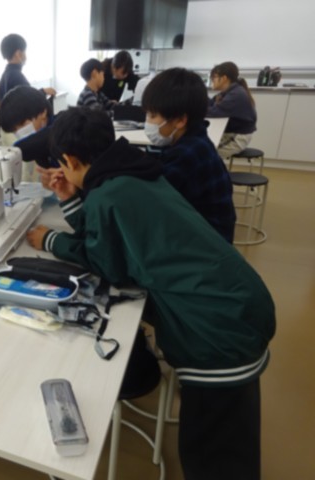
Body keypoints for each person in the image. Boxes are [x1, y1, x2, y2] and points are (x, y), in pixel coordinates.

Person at [26, 107, 275, 480]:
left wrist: (51, 240)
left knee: (212, 451)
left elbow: (107, 262)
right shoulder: (131, 171)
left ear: (71, 160)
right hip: (236, 303)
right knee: (232, 434)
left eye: (63, 166)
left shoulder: (109, 193)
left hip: (216, 328)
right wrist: (70, 195)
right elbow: (106, 232)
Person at [141, 67, 236, 243]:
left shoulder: (188, 154)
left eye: (153, 115)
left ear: (180, 120)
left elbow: (150, 201)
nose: (147, 122)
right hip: (208, 237)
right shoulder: (195, 141)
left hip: (206, 247)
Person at [0, 85, 56, 181]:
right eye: (14, 131)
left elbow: (23, 149)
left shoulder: (64, 128)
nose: (19, 133)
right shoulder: (39, 144)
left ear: (43, 112)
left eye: (23, 124)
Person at [207, 61, 257, 159]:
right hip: (232, 134)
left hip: (237, 138)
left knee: (206, 154)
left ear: (224, 78)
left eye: (214, 77)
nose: (212, 80)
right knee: (202, 147)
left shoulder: (235, 94)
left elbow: (214, 112)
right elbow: (212, 104)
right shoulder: (227, 92)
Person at [0, 33, 56, 101]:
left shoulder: (5, 75)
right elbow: (28, 101)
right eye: (24, 52)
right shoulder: (16, 76)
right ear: (19, 54)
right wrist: (43, 92)